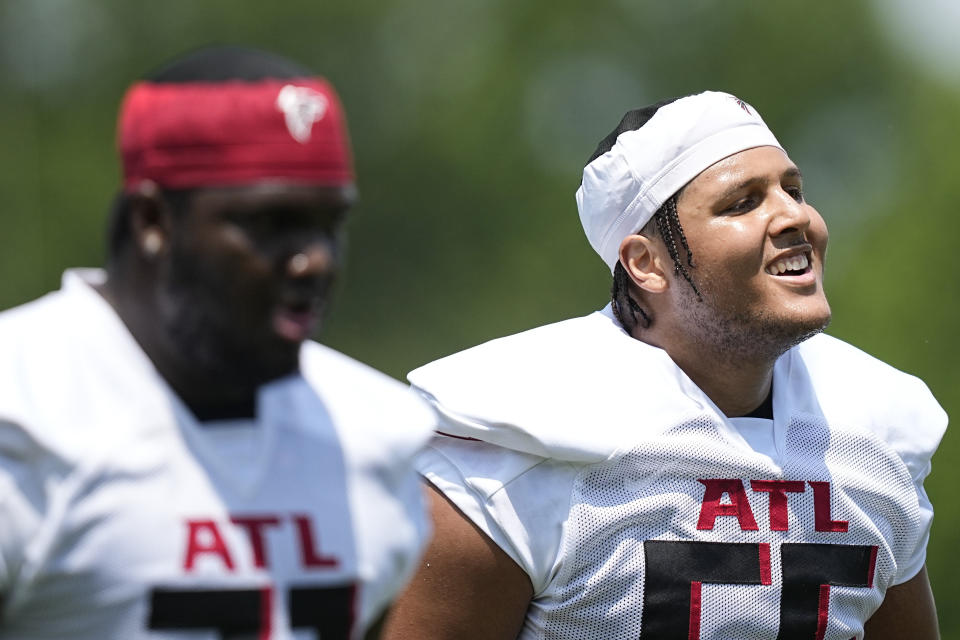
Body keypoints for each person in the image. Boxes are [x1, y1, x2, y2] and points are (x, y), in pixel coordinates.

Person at [381, 91, 947, 639]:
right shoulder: (514, 449)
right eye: (743, 202)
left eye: (793, 189)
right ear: (646, 264)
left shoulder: (874, 439)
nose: (794, 216)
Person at [0, 46, 435, 639]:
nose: (315, 262)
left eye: (329, 225)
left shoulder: (377, 433)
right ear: (153, 221)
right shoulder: (21, 409)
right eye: (269, 224)